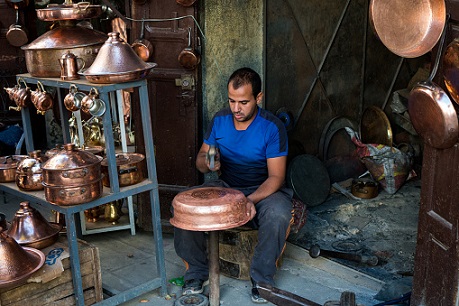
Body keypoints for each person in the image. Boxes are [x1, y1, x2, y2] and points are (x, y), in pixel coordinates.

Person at [173, 67, 293, 303]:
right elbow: (200, 161)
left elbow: (276, 178)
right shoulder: (219, 120)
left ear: (258, 98)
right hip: (226, 186)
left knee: (278, 214)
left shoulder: (272, 127)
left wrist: (249, 201)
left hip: (263, 190)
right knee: (184, 205)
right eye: (232, 101)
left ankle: (262, 281)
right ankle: (196, 273)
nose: (236, 109)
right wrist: (209, 162)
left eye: (244, 102)